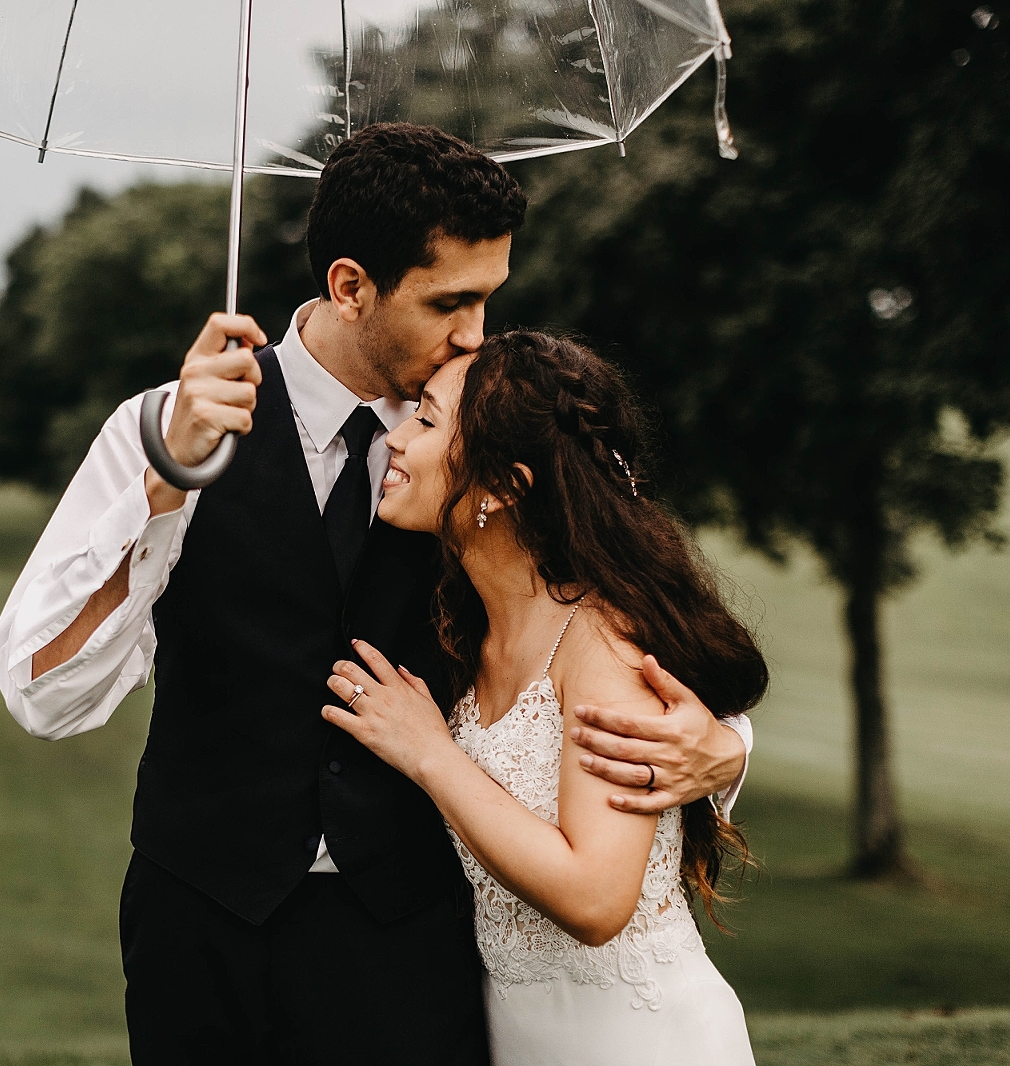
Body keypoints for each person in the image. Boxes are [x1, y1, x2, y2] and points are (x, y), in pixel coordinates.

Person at [0, 123, 753, 1066]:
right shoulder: (164, 429)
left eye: (488, 299)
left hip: (407, 936)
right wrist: (164, 484)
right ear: (350, 286)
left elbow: (620, 611)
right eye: (449, 302)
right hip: (200, 924)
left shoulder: (490, 439)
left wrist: (722, 749)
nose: (475, 333)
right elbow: (42, 689)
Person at [321, 331, 764, 1065]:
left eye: (427, 421)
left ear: (503, 487)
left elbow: (596, 900)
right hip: (516, 1036)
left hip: (638, 1040)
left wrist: (431, 755)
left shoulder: (602, 644)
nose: (396, 440)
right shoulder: (468, 625)